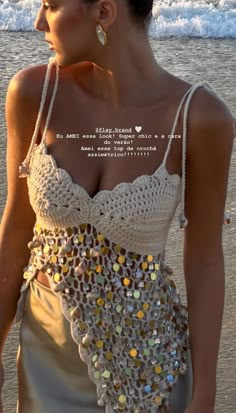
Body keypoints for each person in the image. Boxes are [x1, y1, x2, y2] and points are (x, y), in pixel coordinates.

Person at [0, 0, 235, 412]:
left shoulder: (200, 117)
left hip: (151, 372)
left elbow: (204, 262)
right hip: (44, 367)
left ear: (104, 12)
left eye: (51, 6)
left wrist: (204, 393)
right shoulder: (35, 94)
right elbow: (16, 230)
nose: (38, 21)